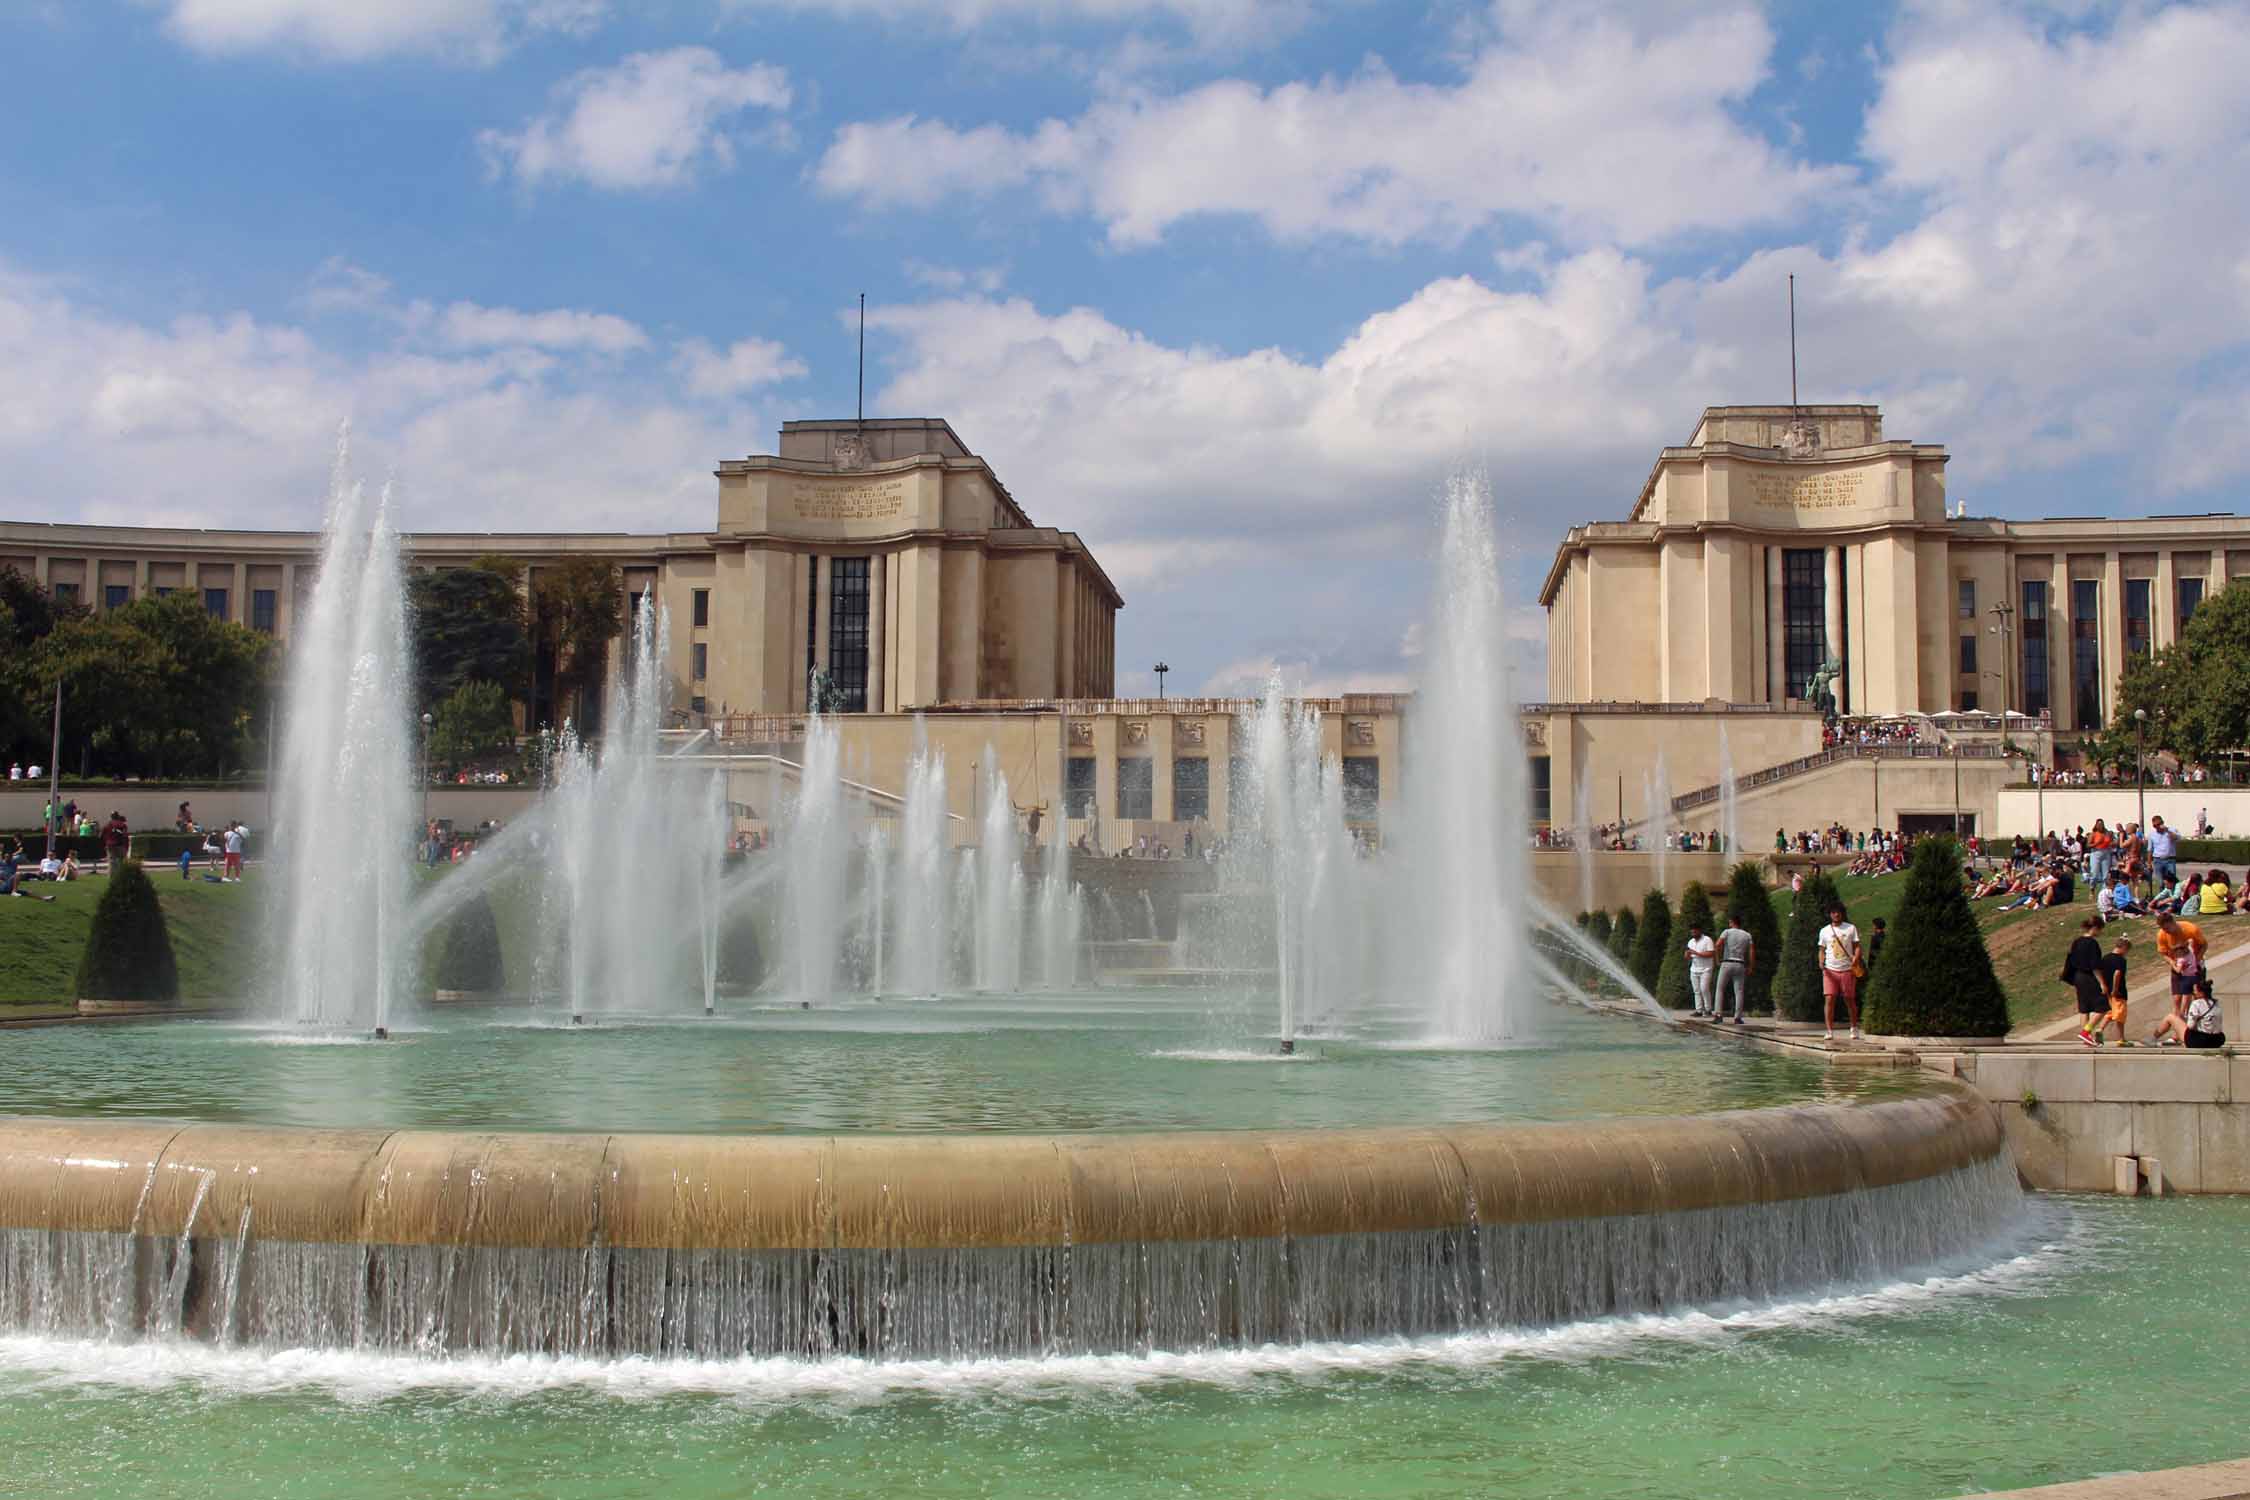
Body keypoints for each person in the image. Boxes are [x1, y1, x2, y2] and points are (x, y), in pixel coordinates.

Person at [1816, 901, 1862, 1041]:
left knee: (1849, 999)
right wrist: (1821, 961)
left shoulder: (1850, 928)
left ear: (1842, 913)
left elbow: (1857, 946)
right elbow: (1822, 949)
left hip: (1847, 969)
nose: (1836, 914)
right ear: (1830, 914)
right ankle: (1829, 1030)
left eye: (1838, 912)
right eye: (1833, 912)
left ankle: (1854, 1027)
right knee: (1829, 999)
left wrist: (1856, 958)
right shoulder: (1824, 931)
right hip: (1830, 970)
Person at [2151, 976, 2226, 1049]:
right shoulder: (2216, 1003)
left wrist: (2182, 1022)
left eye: (2195, 991)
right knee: (2185, 1028)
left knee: (2170, 1017)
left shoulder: (2197, 1003)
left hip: (2201, 1041)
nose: (2193, 993)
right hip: (2216, 1041)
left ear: (2201, 992)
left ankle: (2152, 1039)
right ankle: (2173, 1040)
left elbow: (2190, 1026)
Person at [2154, 912, 2207, 1014]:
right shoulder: (2161, 934)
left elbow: (2204, 945)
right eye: (2164, 929)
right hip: (2178, 966)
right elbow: (2163, 953)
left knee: (2197, 996)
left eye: (2168, 928)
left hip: (2194, 967)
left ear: (2173, 922)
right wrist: (2172, 963)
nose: (2166, 931)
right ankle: (2178, 1019)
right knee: (2177, 998)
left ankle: (2194, 1020)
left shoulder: (2191, 929)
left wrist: (2196, 960)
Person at [1713, 911, 1754, 1025]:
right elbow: (1751, 951)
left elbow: (1717, 945)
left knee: (1720, 989)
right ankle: (1738, 1017)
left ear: (1732, 922)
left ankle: (1718, 1015)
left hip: (1727, 962)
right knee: (1739, 991)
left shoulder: (1726, 932)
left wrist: (1717, 959)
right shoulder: (1747, 935)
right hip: (1740, 963)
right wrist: (1751, 965)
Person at [2094, 935, 2133, 1045]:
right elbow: (2117, 973)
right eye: (2127, 950)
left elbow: (2100, 972)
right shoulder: (2121, 960)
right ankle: (2121, 1039)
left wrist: (2104, 985)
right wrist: (2115, 989)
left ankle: (2100, 1029)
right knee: (2120, 1015)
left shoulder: (2105, 958)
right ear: (2124, 947)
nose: (2127, 953)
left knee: (2112, 1012)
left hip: (2108, 992)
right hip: (2118, 992)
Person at [1683, 919, 1717, 1017]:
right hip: (1694, 969)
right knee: (1696, 990)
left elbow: (1711, 953)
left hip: (1706, 969)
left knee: (1704, 989)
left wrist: (1696, 953)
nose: (1693, 933)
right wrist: (1687, 955)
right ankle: (1698, 1010)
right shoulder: (1691, 942)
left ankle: (1708, 1009)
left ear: (1699, 930)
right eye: (1692, 931)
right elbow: (1688, 956)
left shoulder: (1707, 940)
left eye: (1695, 931)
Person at [2148, 815, 2178, 887]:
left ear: (2162, 823)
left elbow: (2176, 838)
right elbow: (2150, 850)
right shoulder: (2152, 834)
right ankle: (2163, 897)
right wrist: (2149, 863)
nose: (2157, 827)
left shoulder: (2171, 830)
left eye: (2158, 824)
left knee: (2172, 881)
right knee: (2161, 883)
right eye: (2155, 826)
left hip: (2169, 860)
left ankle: (2173, 897)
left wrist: (2167, 830)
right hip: (2157, 860)